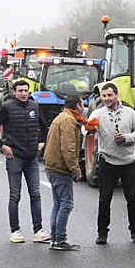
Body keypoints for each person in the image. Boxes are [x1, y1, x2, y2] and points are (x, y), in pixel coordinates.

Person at [0, 80, 51, 244]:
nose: (23, 93)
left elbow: (45, 127)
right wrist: (2, 146)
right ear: (14, 92)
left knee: (35, 194)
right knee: (15, 195)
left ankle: (39, 230)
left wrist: (42, 142)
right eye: (20, 91)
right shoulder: (7, 108)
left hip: (32, 158)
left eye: (26, 90)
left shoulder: (35, 107)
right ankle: (15, 231)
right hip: (15, 157)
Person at [88, 83, 135, 245]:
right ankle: (102, 233)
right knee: (104, 199)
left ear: (116, 95)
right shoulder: (98, 113)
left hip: (128, 162)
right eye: (104, 96)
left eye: (109, 95)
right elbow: (87, 129)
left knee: (132, 199)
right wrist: (90, 129)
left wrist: (126, 138)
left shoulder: (130, 113)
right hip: (107, 161)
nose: (106, 99)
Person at [43, 95, 84, 251]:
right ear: (78, 105)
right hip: (60, 167)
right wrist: (75, 169)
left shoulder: (61, 117)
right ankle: (60, 239)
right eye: (81, 104)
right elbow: (68, 149)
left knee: (58, 204)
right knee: (66, 204)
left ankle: (55, 238)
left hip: (51, 165)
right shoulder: (68, 120)